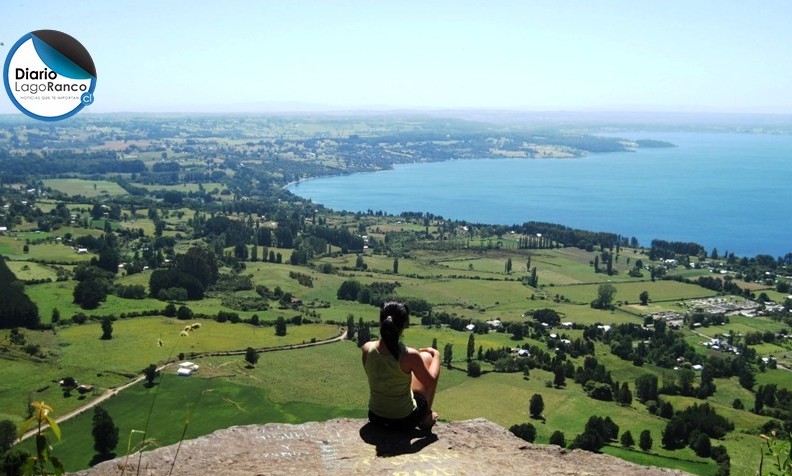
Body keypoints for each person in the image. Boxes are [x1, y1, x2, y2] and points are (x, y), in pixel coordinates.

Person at [361, 301, 440, 431]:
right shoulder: (409, 355)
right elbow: (431, 381)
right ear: (404, 325)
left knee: (415, 365)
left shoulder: (366, 349)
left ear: (381, 322)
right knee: (428, 357)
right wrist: (436, 355)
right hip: (405, 420)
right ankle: (426, 418)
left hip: (375, 417)